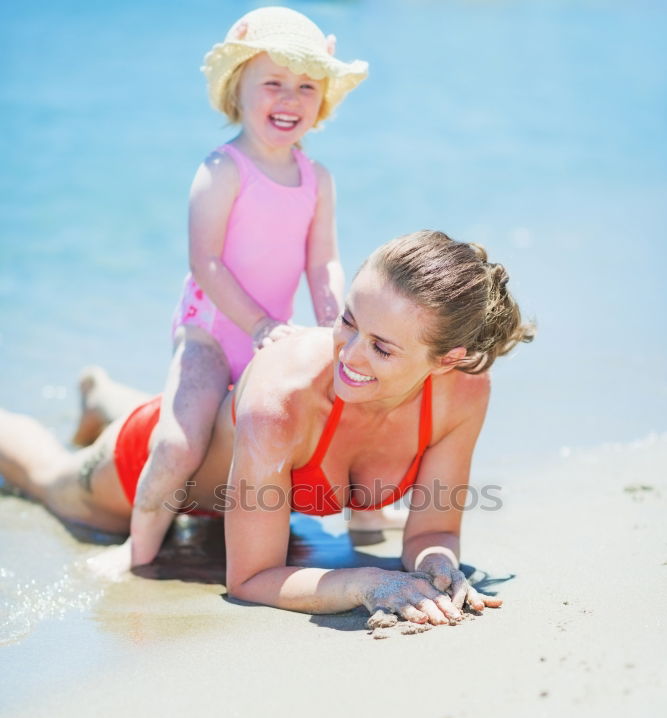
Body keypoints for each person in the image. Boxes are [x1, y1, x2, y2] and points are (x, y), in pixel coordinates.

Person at [0, 231, 534, 626]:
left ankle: (100, 393)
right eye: (347, 321)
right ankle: (101, 408)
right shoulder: (281, 402)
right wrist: (370, 582)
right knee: (46, 475)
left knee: (201, 419)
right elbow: (250, 578)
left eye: (382, 347)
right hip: (145, 470)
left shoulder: (463, 391)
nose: (350, 354)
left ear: (447, 359)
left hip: (235, 449)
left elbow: (433, 531)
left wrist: (438, 565)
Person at [117, 6, 367, 570]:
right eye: (272, 83)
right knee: (180, 443)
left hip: (269, 336)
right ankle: (136, 554)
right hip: (211, 333)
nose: (290, 99)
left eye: (306, 86)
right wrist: (257, 325)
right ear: (238, 89)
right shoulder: (222, 167)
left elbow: (322, 262)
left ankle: (367, 513)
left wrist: (337, 325)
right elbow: (205, 262)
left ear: (323, 99)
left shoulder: (317, 178)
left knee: (338, 407)